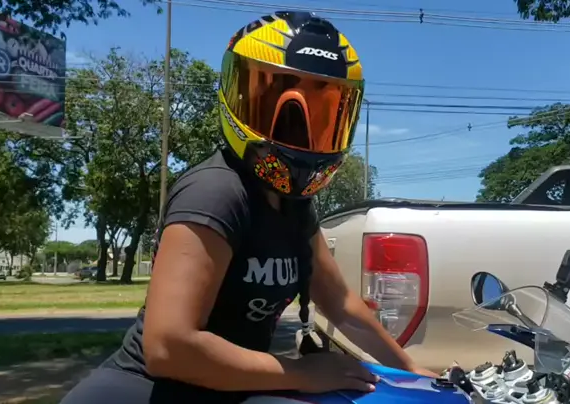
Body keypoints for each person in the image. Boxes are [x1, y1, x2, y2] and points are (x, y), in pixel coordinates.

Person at [60, 11, 434, 404]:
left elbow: (340, 304)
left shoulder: (295, 206)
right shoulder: (215, 193)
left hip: (225, 389)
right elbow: (169, 346)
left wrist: (412, 373)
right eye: (276, 104)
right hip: (147, 391)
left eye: (321, 111)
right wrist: (300, 374)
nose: (299, 129)